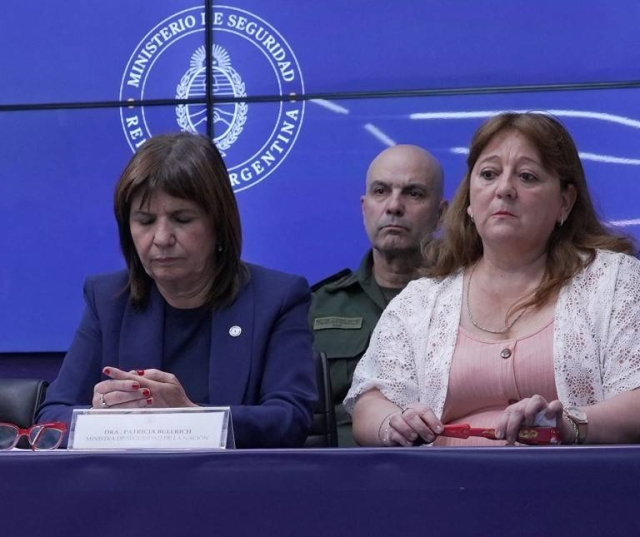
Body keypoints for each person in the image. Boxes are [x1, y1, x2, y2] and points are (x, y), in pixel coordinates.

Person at [346, 112, 640, 447]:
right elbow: (370, 401)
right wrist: (391, 424)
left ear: (565, 202)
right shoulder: (422, 300)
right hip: (441, 491)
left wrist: (569, 424)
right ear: (470, 200)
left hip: (576, 489)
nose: (504, 189)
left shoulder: (614, 281)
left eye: (527, 176)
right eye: (488, 174)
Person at [36, 132, 317, 448]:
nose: (161, 238)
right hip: (130, 490)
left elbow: (290, 419)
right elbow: (52, 418)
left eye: (182, 219)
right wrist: (100, 417)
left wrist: (192, 417)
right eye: (145, 221)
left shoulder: (277, 298)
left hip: (237, 488)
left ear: (219, 225)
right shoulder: (107, 299)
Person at [311, 145, 446, 446]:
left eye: (413, 193)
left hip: (436, 472)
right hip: (337, 477)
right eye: (381, 191)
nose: (394, 206)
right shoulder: (317, 307)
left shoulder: (466, 304)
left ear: (440, 214)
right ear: (364, 206)